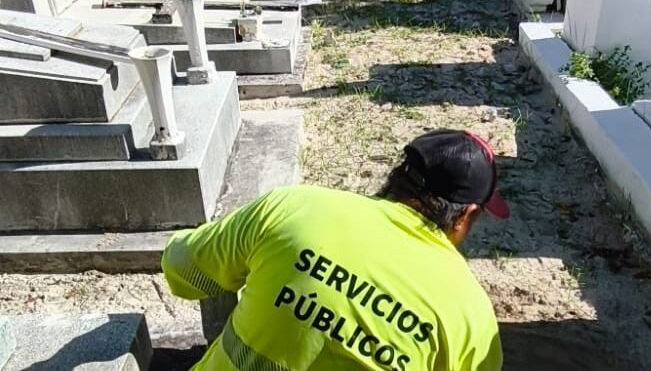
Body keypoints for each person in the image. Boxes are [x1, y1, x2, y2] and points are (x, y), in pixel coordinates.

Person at [162, 129, 509, 370]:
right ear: (466, 216)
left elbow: (181, 271)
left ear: (397, 175)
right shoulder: (472, 316)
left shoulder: (293, 207)